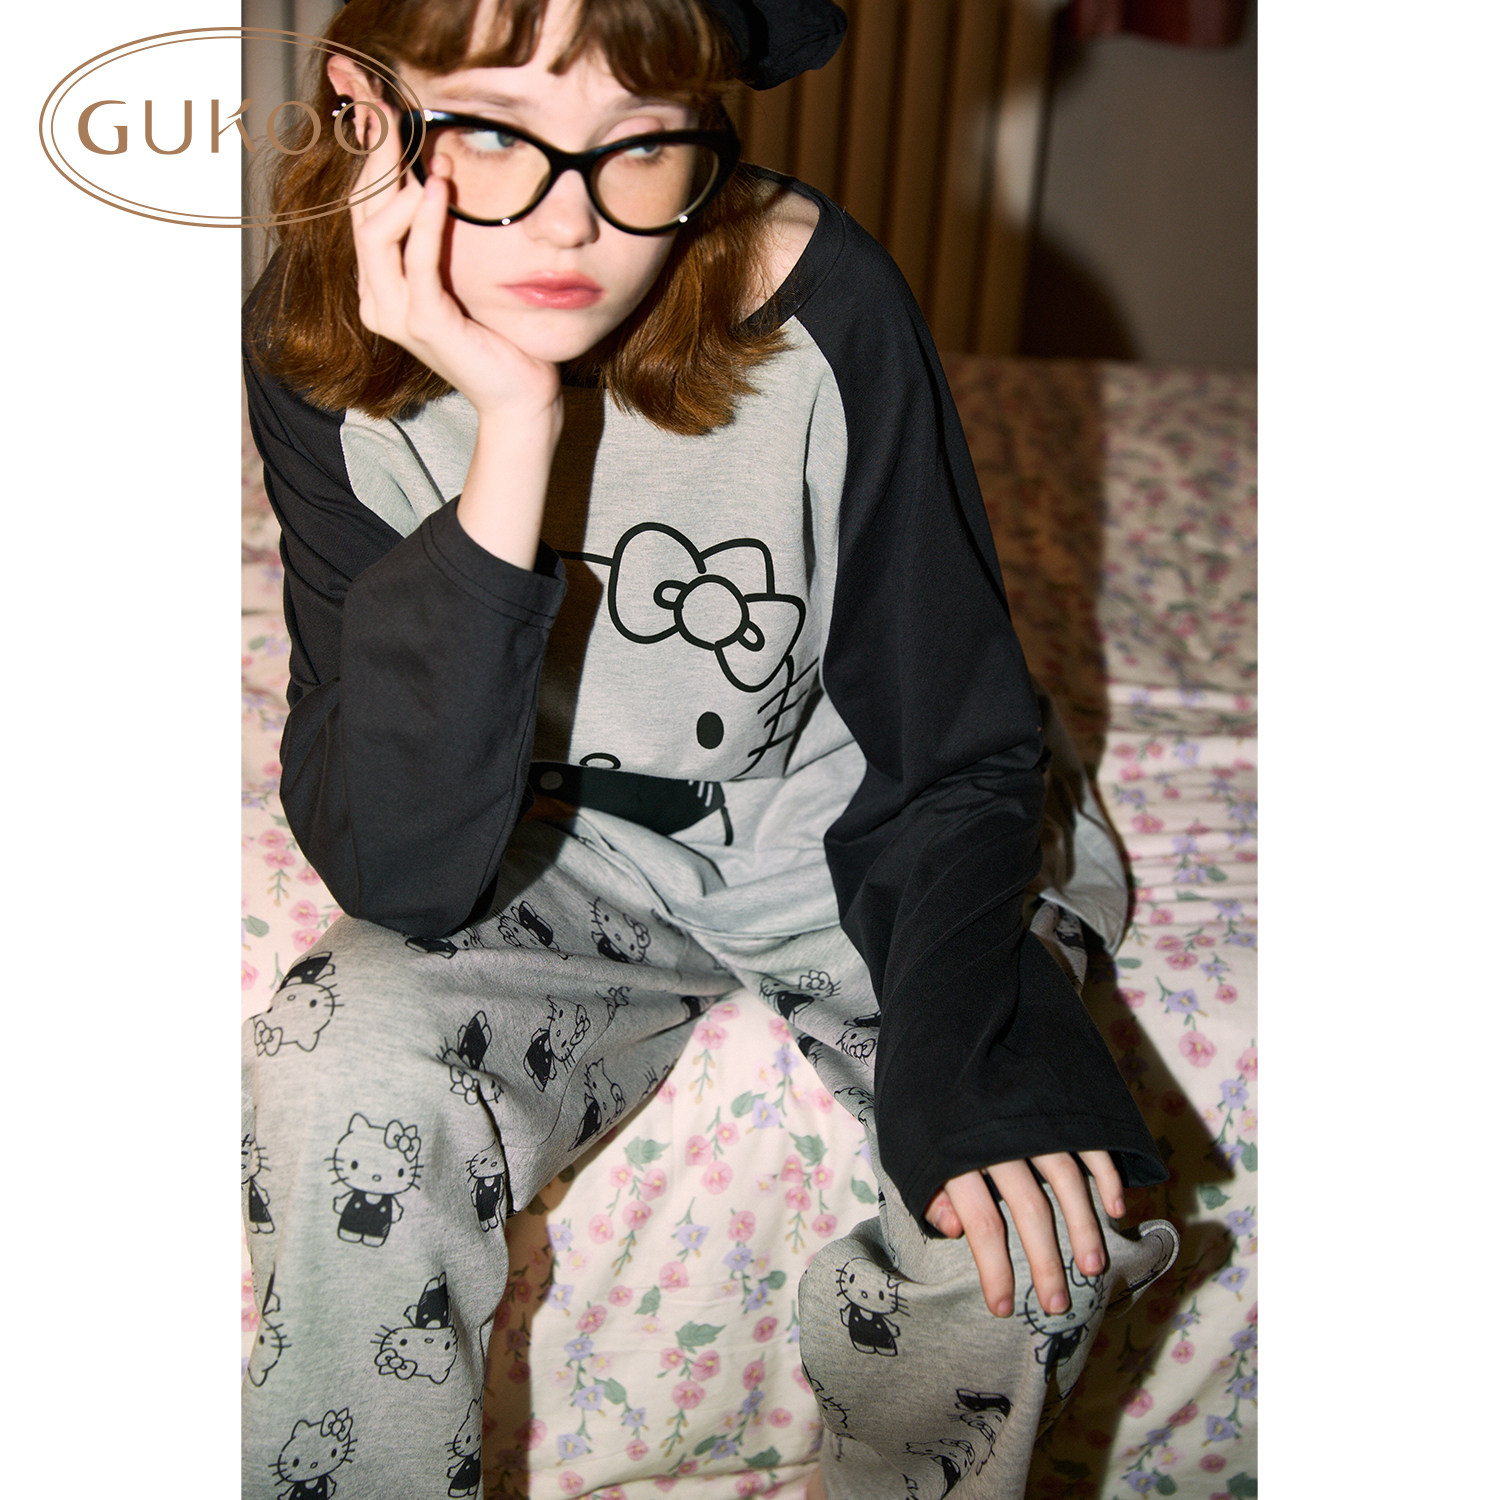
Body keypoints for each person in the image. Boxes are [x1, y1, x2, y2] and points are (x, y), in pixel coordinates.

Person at [241, 1, 1177, 1495]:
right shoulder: (316, 346)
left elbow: (951, 740)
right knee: (335, 1059)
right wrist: (515, 424)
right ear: (364, 106)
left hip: (848, 818)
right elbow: (405, 869)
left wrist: (980, 1082)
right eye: (492, 131)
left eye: (643, 143)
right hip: (538, 838)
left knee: (1031, 1229)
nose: (570, 223)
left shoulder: (823, 302)